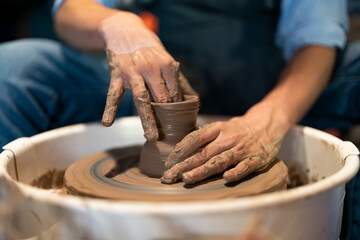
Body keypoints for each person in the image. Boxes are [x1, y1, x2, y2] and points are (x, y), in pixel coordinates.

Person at [0, 0, 358, 238]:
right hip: (163, 88)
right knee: (13, 69)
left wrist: (267, 122)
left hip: (281, 85)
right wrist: (118, 24)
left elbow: (318, 39)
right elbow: (69, 12)